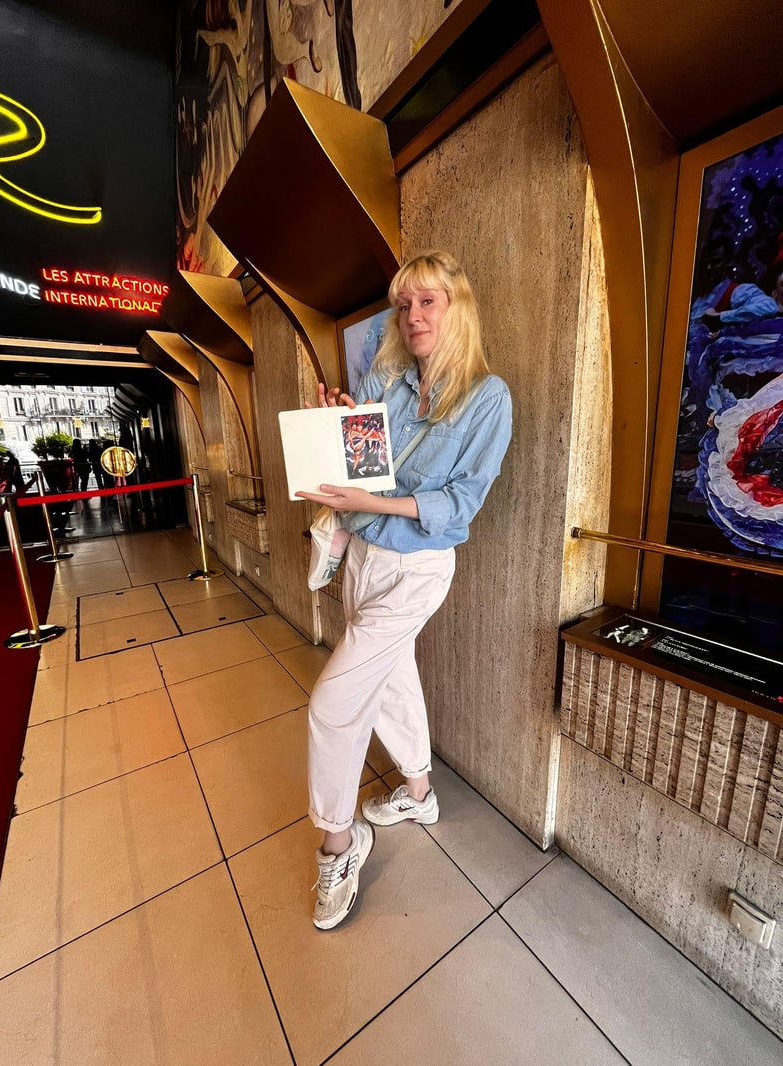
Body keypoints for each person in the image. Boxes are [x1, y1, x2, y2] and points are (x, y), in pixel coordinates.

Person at [295, 250, 512, 930]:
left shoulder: (488, 397)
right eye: (405, 304)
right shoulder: (390, 380)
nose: (414, 315)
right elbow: (368, 466)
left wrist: (373, 502)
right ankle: (419, 790)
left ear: (456, 309)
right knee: (390, 677)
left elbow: (460, 503)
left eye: (428, 302)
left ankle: (339, 842)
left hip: (417, 569)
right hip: (362, 554)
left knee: (334, 704)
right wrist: (344, 418)